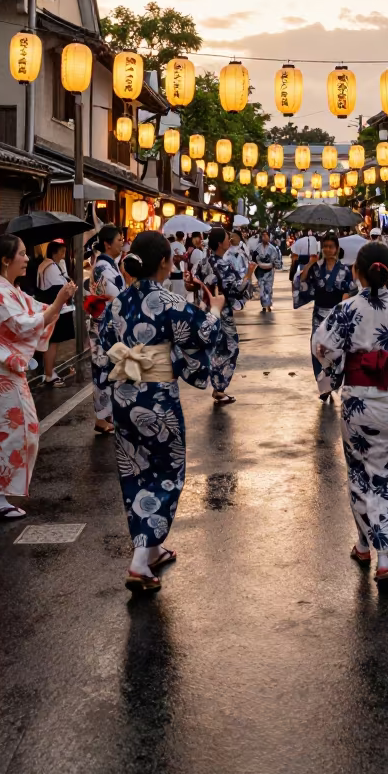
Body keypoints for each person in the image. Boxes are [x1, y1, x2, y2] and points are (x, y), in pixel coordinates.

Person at [99, 231, 225, 591]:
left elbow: (104, 347)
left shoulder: (118, 303)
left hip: (124, 395)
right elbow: (203, 333)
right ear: (165, 263)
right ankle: (140, 559)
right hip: (157, 398)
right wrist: (214, 308)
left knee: (135, 471)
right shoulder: (167, 300)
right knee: (167, 472)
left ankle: (151, 549)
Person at [312, 242, 388, 586]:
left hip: (358, 404)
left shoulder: (346, 309)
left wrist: (334, 371)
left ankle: (366, 544)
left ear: (357, 272)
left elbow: (321, 346)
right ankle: (381, 555)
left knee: (361, 474)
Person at [0, 234, 76, 520]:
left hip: (5, 370)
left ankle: (0, 495)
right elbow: (22, 324)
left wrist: (59, 303)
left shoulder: (9, 290)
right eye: (22, 254)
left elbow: (34, 310)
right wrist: (56, 304)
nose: (27, 258)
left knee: (23, 429)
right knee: (7, 432)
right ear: (7, 260)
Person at [193, 226, 255, 404]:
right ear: (220, 243)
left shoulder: (203, 263)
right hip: (222, 310)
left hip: (206, 308)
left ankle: (215, 383)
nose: (230, 241)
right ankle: (218, 386)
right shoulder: (223, 264)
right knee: (230, 347)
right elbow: (235, 289)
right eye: (227, 239)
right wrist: (249, 275)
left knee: (215, 345)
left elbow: (194, 282)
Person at [293, 232, 358, 398]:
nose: (328, 249)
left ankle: (332, 382)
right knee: (317, 349)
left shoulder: (344, 269)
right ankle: (324, 385)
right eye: (325, 246)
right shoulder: (316, 268)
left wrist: (344, 301)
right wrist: (309, 264)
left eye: (331, 246)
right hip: (319, 314)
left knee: (336, 349)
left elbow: (350, 289)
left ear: (337, 249)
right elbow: (303, 281)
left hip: (336, 315)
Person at [87, 224, 124, 435]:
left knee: (108, 370)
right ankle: (101, 419)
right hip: (103, 325)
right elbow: (115, 296)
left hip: (108, 325)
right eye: (119, 240)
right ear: (107, 244)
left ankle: (107, 414)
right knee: (102, 371)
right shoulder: (102, 266)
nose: (122, 243)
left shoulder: (109, 264)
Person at [36, 240, 76, 387]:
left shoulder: (45, 265)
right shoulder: (51, 267)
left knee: (50, 341)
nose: (63, 255)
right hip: (55, 308)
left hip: (48, 306)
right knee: (52, 342)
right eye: (62, 252)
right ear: (54, 252)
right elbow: (64, 287)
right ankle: (49, 374)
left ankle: (48, 372)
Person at [253, 229, 281, 313]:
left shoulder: (273, 248)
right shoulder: (257, 247)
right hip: (260, 270)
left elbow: (276, 260)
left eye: (266, 235)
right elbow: (254, 258)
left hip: (269, 270)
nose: (264, 237)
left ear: (269, 237)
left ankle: (268, 304)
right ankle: (264, 305)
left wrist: (275, 265)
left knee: (268, 288)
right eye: (263, 235)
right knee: (261, 288)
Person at [166, 230, 188, 299]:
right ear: (182, 238)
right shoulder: (182, 247)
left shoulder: (171, 245)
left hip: (170, 269)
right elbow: (185, 259)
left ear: (176, 236)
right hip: (179, 271)